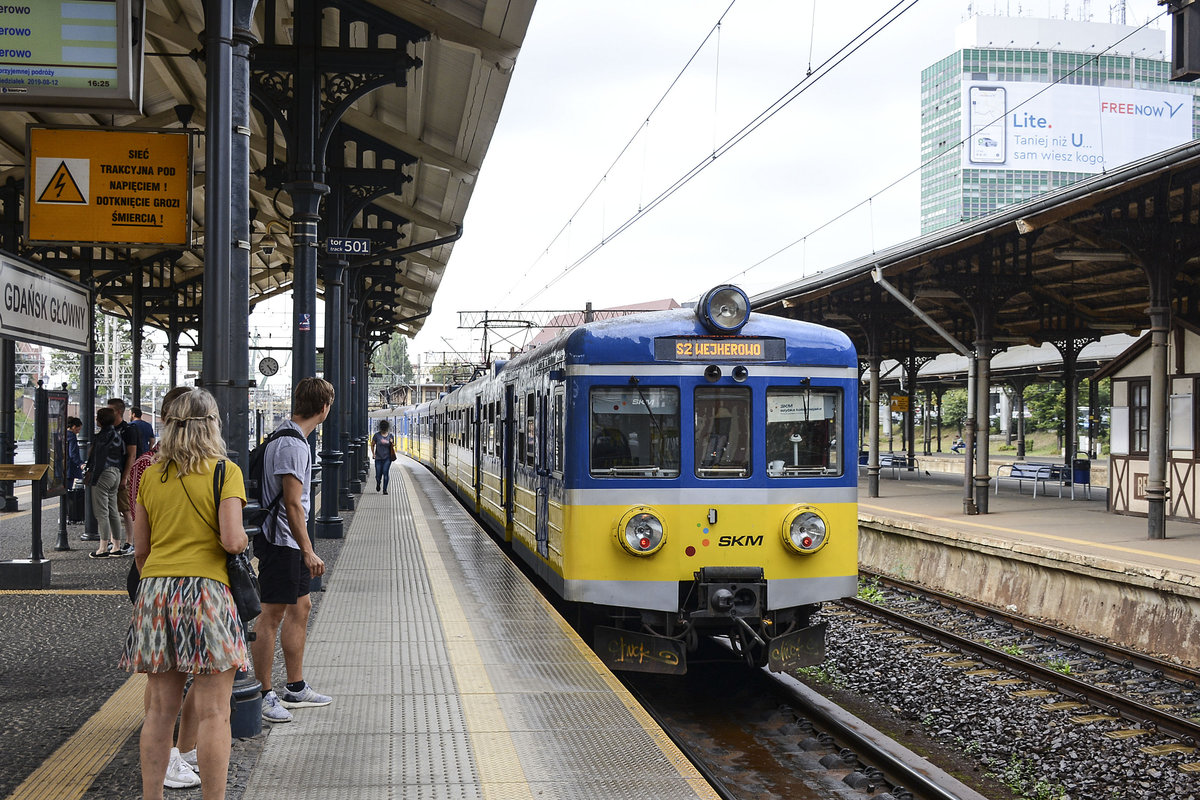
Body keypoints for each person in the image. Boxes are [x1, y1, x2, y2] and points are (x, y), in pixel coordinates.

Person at [119, 387, 249, 800]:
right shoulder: (223, 471)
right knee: (214, 713)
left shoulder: (151, 475)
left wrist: (160, 580)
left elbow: (141, 550)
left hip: (155, 592)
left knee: (159, 712)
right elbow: (231, 540)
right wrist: (243, 539)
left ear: (169, 425)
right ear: (211, 424)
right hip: (208, 592)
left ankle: (152, 797)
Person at [127, 387, 202, 789]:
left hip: (155, 583)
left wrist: (150, 577)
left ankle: (177, 751)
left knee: (163, 682)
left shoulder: (148, 466)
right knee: (176, 683)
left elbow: (141, 544)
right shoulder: (213, 468)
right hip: (191, 586)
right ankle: (176, 753)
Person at [250, 377, 334, 724]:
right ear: (324, 408)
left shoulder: (289, 437)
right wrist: (308, 549)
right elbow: (293, 503)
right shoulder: (294, 446)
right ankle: (262, 692)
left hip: (289, 542)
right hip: (282, 541)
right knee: (271, 616)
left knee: (302, 606)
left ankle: (295, 686)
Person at [85, 407, 127, 559]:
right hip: (116, 472)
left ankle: (103, 548)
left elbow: (99, 458)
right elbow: (123, 454)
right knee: (113, 510)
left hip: (102, 474)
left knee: (102, 512)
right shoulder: (117, 435)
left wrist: (92, 477)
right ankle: (116, 546)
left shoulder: (102, 436)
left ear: (100, 421)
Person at [108, 398, 139, 556]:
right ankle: (115, 542)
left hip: (121, 474)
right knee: (111, 509)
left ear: (118, 412)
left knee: (125, 509)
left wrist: (125, 477)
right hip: (109, 475)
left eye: (110, 410)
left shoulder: (128, 430)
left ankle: (130, 542)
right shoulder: (108, 429)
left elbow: (131, 455)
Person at [371, 419, 396, 493]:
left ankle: (385, 489)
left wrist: (392, 443)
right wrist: (373, 454)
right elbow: (372, 445)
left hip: (387, 458)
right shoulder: (376, 435)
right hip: (378, 458)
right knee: (378, 475)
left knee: (385, 472)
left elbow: (393, 445)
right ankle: (378, 483)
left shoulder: (390, 436)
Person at [65, 417, 84, 488]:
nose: (78, 432)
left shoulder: (63, 434)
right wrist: (80, 463)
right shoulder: (72, 436)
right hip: (70, 467)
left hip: (62, 467)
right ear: (73, 427)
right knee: (69, 488)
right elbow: (72, 453)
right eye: (78, 429)